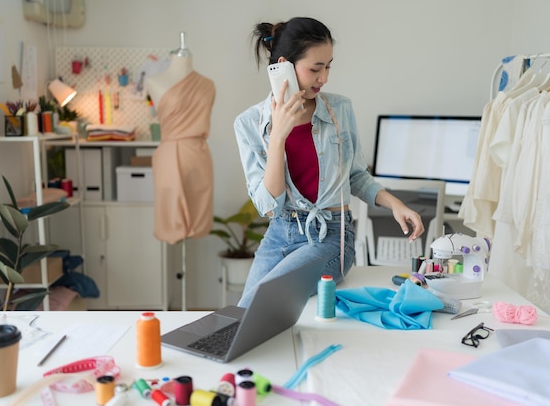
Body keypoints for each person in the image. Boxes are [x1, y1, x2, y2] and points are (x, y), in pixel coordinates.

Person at [233, 17, 424, 308]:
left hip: (332, 236)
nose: (324, 78)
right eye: (315, 68)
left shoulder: (340, 109)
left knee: (263, 302)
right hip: (279, 235)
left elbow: (357, 175)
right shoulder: (248, 123)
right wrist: (277, 137)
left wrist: (395, 204)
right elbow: (269, 206)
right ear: (284, 65)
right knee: (243, 312)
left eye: (329, 66)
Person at [147, 40, 216, 245]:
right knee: (170, 211)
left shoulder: (207, 85)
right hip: (169, 154)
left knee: (198, 208)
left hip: (198, 154)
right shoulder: (154, 81)